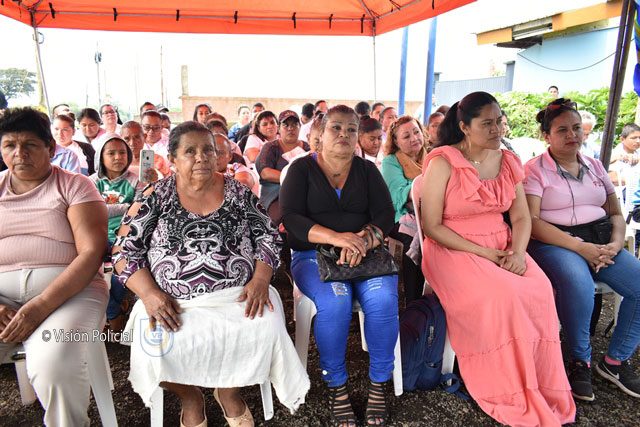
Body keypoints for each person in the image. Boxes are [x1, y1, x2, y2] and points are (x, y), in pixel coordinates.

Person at [113, 121, 309, 427]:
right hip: (170, 301)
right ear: (173, 158)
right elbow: (124, 251)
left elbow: (269, 237)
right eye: (190, 151)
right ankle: (190, 397)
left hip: (238, 296)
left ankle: (228, 392)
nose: (201, 157)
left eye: (208, 150)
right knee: (151, 341)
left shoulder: (238, 192)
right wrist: (149, 294)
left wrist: (260, 279)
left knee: (266, 326)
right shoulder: (155, 194)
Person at [420, 92, 576, 426]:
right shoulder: (442, 161)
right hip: (454, 248)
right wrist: (484, 253)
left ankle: (539, 383)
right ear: (465, 127)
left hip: (503, 244)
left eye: (499, 122)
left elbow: (521, 217)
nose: (497, 129)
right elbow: (432, 226)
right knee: (503, 295)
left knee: (540, 290)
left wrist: (518, 253)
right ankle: (508, 387)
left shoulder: (508, 160)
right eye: (487, 123)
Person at [281, 105, 398, 427]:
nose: (343, 134)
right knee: (335, 302)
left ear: (358, 135)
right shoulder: (301, 170)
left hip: (365, 254)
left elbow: (385, 214)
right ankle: (336, 385)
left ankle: (379, 383)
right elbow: (291, 219)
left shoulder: (367, 170)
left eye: (350, 129)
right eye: (336, 127)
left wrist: (362, 241)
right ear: (319, 134)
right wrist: (337, 239)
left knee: (383, 299)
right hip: (313, 256)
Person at [524, 98, 640, 401]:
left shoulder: (595, 165)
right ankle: (579, 359)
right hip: (554, 241)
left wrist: (615, 244)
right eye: (562, 130)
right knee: (579, 284)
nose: (572, 135)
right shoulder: (535, 170)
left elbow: (615, 212)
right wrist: (580, 247)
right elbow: (532, 222)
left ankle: (615, 361)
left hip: (600, 238)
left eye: (576, 128)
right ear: (546, 135)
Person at [0, 107, 109, 426]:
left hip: (70, 294)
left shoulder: (75, 185)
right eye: (10, 145)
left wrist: (39, 306)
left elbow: (91, 254)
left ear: (50, 148)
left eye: (30, 145)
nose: (19, 154)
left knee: (55, 364)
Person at [90, 134, 142, 333]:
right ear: (100, 157)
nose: (118, 157)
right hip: (97, 235)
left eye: (122, 152)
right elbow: (91, 210)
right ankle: (114, 312)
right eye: (111, 153)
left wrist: (108, 208)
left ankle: (114, 310)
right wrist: (126, 206)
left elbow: (140, 209)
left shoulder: (135, 180)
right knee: (92, 274)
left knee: (119, 274)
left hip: (124, 236)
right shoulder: (91, 182)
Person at [381, 115, 428, 303]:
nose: (414, 138)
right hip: (400, 216)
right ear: (396, 142)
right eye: (406, 136)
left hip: (430, 214)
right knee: (415, 242)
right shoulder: (391, 162)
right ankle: (413, 301)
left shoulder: (432, 157)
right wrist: (423, 184)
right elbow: (396, 195)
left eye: (416, 132)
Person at [255, 110, 309, 223]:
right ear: (279, 128)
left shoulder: (307, 147)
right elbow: (265, 173)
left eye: (294, 125)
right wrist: (295, 179)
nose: (290, 128)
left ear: (300, 127)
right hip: (275, 196)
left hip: (305, 194)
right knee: (283, 218)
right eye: (286, 125)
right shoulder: (270, 147)